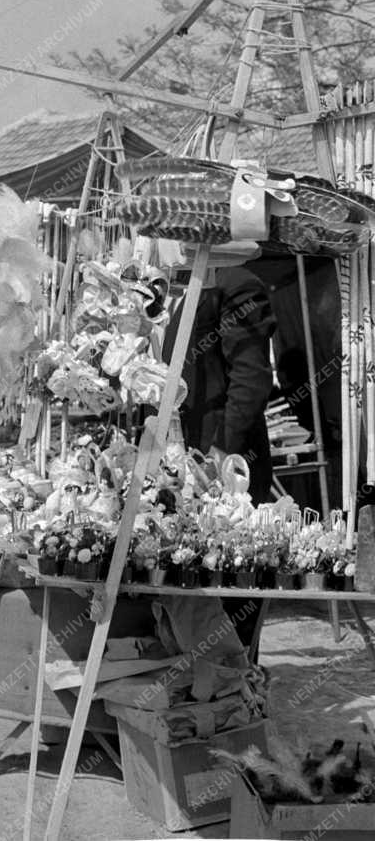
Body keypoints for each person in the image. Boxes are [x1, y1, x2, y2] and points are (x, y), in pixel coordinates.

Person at [166, 264, 276, 658]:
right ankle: (211, 689)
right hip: (193, 461)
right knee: (200, 582)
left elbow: (252, 376)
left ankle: (238, 689)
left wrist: (223, 449)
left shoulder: (238, 284)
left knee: (234, 582)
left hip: (230, 465)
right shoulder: (193, 280)